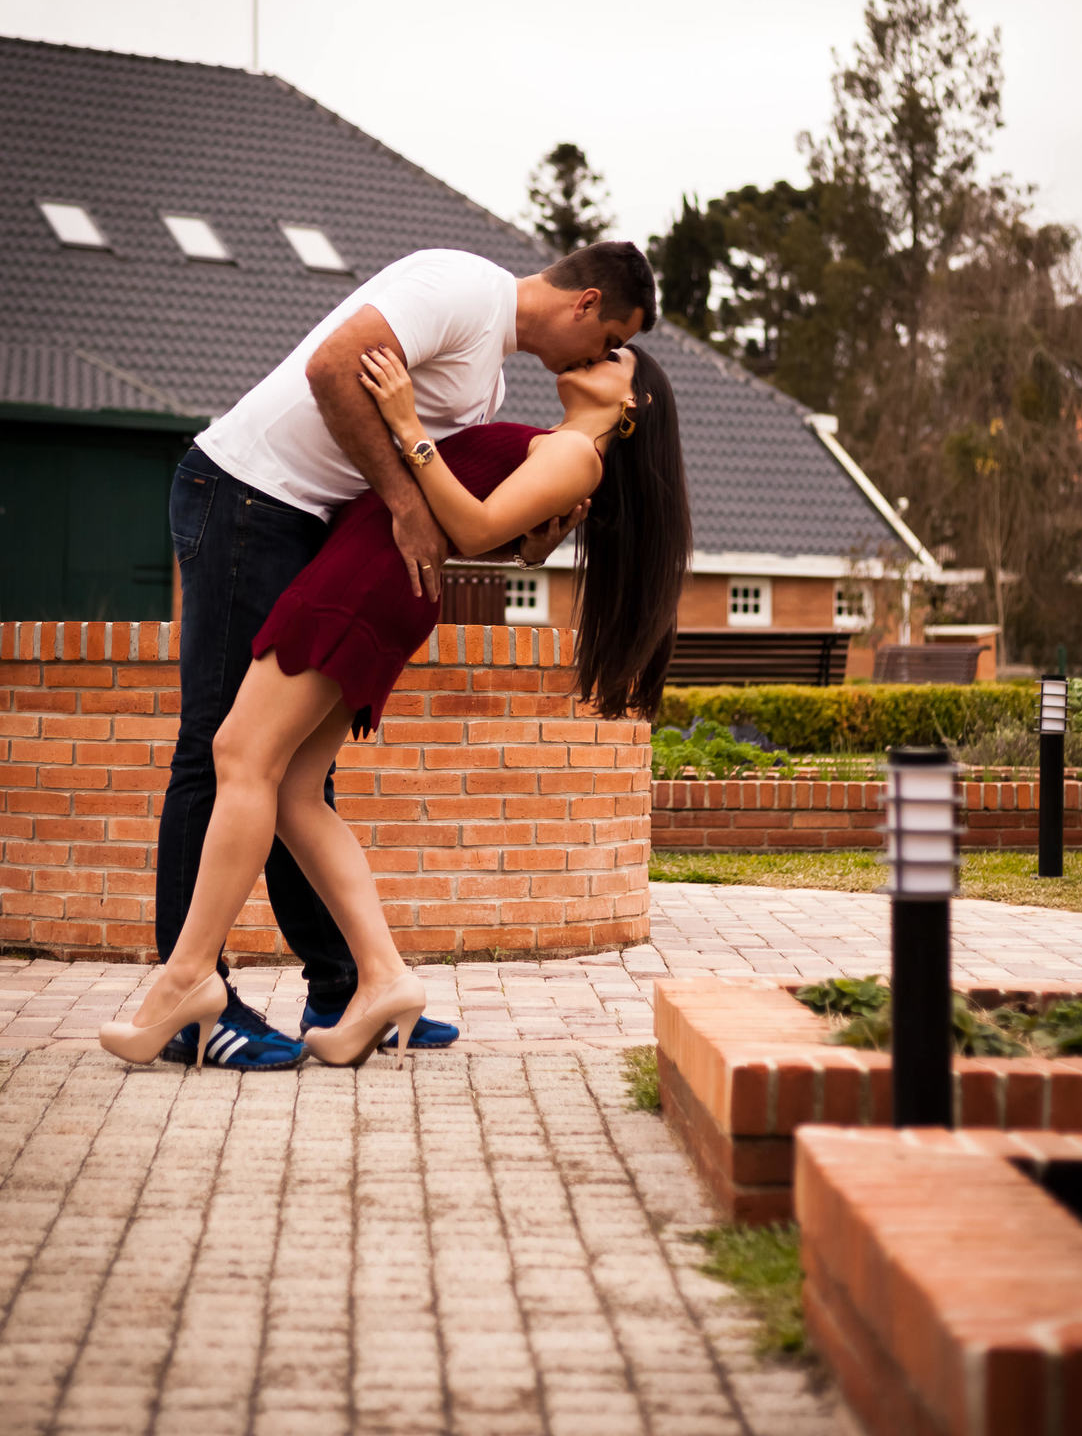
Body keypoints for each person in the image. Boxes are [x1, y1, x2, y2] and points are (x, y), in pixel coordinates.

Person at [101, 340, 690, 1070]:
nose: (593, 356)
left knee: (237, 755)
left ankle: (187, 978)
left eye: (614, 358)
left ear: (636, 406)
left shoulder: (578, 457)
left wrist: (408, 422)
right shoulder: (563, 455)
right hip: (371, 580)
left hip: (361, 586)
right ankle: (381, 978)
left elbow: (465, 527)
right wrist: (521, 546)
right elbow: (469, 525)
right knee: (291, 792)